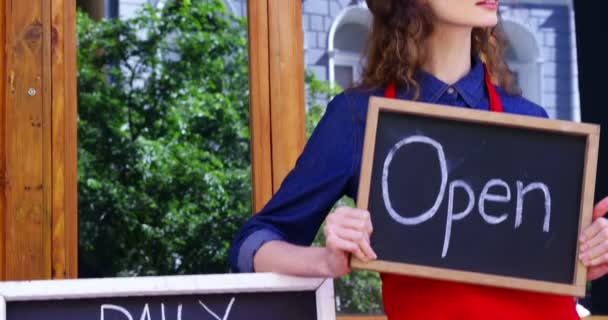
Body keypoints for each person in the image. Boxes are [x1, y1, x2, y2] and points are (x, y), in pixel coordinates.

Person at [229, 0, 608, 318]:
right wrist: (328, 263)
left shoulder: (530, 120)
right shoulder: (358, 118)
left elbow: (548, 263)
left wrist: (582, 254)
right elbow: (251, 245)